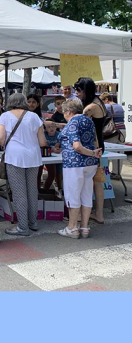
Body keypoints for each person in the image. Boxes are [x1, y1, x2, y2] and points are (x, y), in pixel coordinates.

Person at [0, 93, 47, 236]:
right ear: (24, 102)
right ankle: (33, 222)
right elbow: (42, 141)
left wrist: (4, 143)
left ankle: (23, 227)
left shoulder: (5, 116)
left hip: (15, 157)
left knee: (19, 193)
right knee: (32, 190)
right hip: (33, 157)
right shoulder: (34, 116)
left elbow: (0, 138)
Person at [55, 99, 102, 239]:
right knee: (86, 194)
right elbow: (94, 141)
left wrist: (91, 152)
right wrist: (94, 154)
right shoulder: (88, 120)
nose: (64, 115)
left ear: (68, 111)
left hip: (74, 163)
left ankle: (72, 228)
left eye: (64, 112)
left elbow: (77, 146)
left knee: (73, 195)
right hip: (90, 163)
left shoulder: (73, 123)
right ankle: (85, 227)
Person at [74, 77, 107, 224]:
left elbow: (76, 124)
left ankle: (81, 215)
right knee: (96, 181)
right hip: (97, 145)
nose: (76, 93)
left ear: (85, 90)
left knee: (88, 181)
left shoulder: (90, 107)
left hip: (92, 147)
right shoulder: (98, 102)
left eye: (78, 90)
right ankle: (98, 214)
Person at [39, 123, 62, 193]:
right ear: (45, 129)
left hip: (52, 157)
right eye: (49, 127)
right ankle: (37, 190)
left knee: (52, 174)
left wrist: (59, 148)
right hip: (41, 155)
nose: (51, 129)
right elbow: (42, 144)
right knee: (38, 174)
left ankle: (46, 190)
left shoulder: (59, 135)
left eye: (53, 127)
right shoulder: (43, 134)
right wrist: (52, 149)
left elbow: (59, 145)